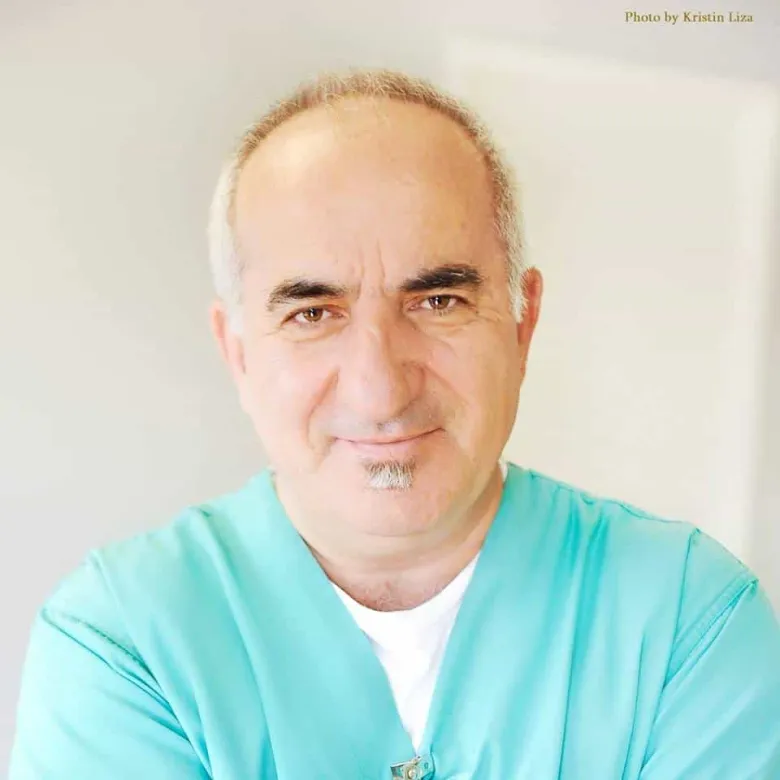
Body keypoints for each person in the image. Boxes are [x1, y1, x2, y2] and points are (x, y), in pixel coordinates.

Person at [9, 69, 780, 780]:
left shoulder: (686, 620)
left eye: (438, 301)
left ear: (523, 323)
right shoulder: (124, 641)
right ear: (237, 351)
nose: (380, 388)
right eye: (313, 313)